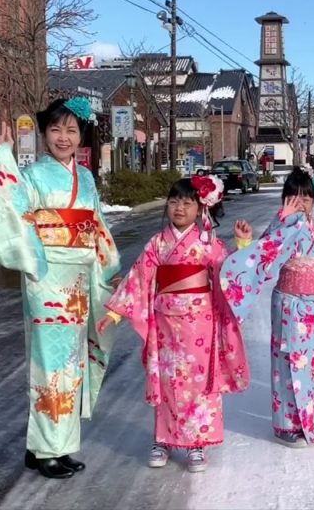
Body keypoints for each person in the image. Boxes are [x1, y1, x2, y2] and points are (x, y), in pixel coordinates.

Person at [0, 97, 121, 479]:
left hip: (78, 277)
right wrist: (2, 159)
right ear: (43, 134)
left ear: (81, 135)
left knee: (70, 364)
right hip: (47, 276)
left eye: (71, 130)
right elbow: (15, 207)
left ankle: (48, 446)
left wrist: (108, 268)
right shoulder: (36, 175)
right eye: (55, 129)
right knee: (49, 363)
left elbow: (98, 225)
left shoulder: (87, 177)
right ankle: (47, 450)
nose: (63, 137)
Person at [105, 176, 252, 473]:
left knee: (199, 384)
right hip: (165, 325)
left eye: (187, 202)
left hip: (201, 323)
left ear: (200, 208)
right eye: (174, 202)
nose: (179, 208)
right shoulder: (157, 244)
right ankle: (162, 440)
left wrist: (243, 244)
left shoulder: (208, 243)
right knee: (168, 383)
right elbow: (139, 279)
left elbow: (229, 276)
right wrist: (116, 313)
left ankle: (197, 443)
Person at [220, 166, 314, 448]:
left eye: (305, 198)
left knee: (312, 368)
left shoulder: (313, 228)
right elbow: (264, 258)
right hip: (291, 306)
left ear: (313, 200)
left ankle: (311, 423)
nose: (300, 203)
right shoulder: (283, 225)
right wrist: (249, 241)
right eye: (293, 197)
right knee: (288, 365)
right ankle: (286, 426)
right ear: (284, 200)